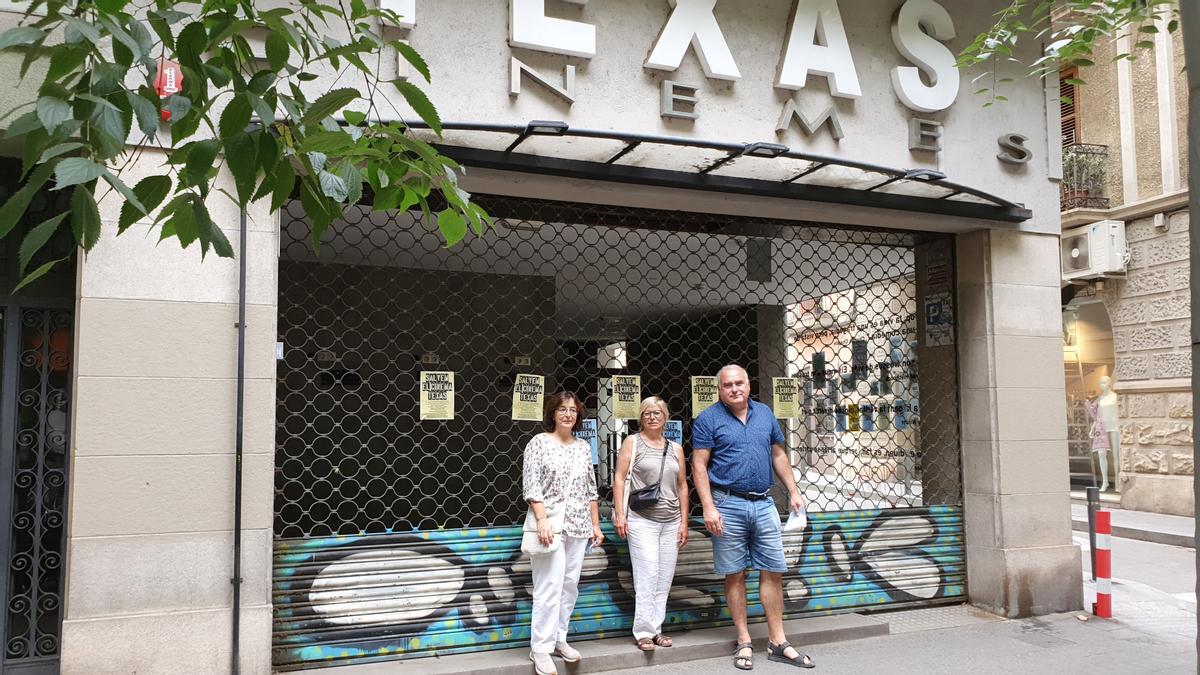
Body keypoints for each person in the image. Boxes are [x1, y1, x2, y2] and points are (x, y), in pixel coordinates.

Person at [691, 364, 815, 670]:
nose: (734, 389)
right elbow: (698, 465)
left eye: (739, 383)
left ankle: (778, 641)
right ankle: (744, 640)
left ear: (749, 385)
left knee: (773, 570)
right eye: (727, 385)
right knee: (735, 573)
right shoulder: (708, 419)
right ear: (719, 389)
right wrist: (708, 506)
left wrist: (794, 491)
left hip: (763, 504)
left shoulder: (765, 415)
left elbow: (778, 455)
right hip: (727, 504)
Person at [522, 391, 604, 675]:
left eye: (573, 410)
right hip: (551, 526)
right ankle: (540, 648)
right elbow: (531, 487)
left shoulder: (583, 447)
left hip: (579, 527)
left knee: (569, 586)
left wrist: (595, 525)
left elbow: (590, 489)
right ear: (552, 414)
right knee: (548, 588)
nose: (568, 414)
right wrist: (541, 519)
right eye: (562, 409)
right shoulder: (539, 443)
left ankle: (559, 638)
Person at [612, 396, 688, 651]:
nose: (652, 417)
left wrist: (684, 522)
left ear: (665, 417)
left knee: (664, 578)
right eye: (647, 413)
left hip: (671, 520)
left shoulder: (676, 448)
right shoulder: (632, 443)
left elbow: (682, 485)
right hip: (642, 519)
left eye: (657, 413)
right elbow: (620, 478)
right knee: (647, 576)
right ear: (641, 418)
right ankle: (643, 631)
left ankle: (656, 629)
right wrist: (620, 515)